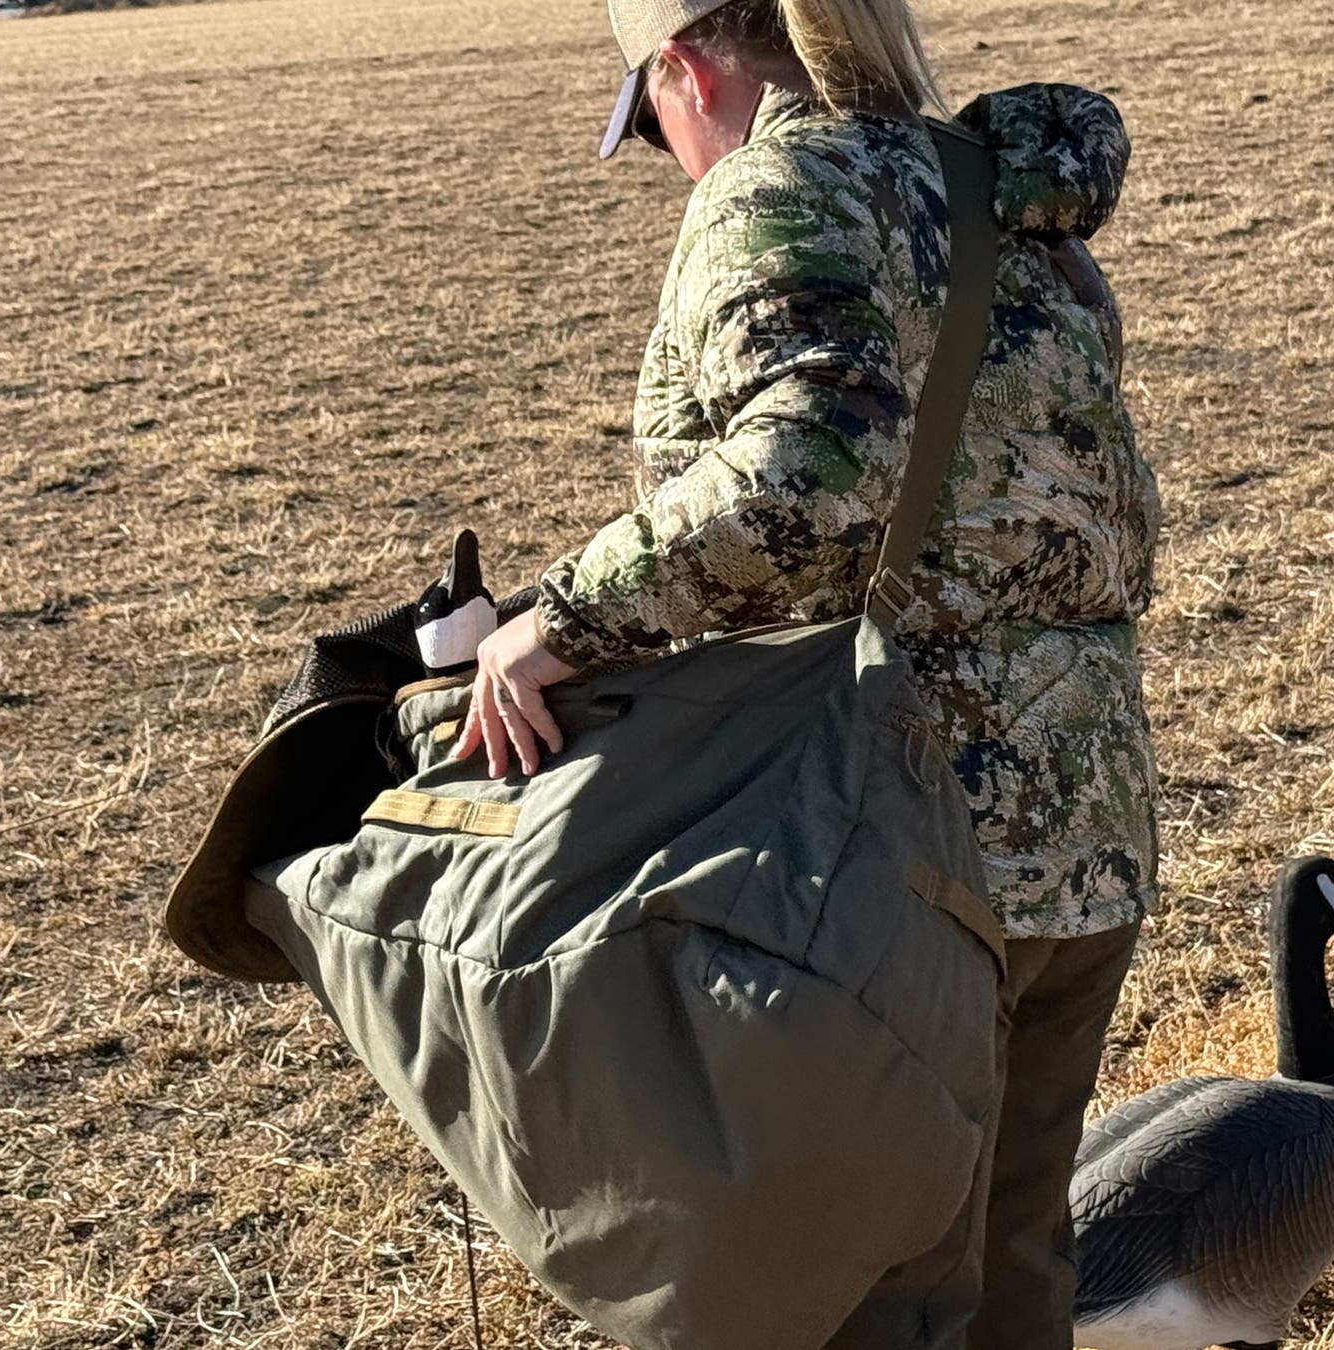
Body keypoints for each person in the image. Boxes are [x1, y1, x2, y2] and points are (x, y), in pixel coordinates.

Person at [455, 0, 1161, 1344]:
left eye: (656, 123)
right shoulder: (981, 189)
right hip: (1085, 835)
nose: (673, 162)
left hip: (901, 853)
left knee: (872, 1296)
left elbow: (810, 470)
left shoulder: (774, 188)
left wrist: (558, 621)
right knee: (1014, 1275)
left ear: (685, 69)